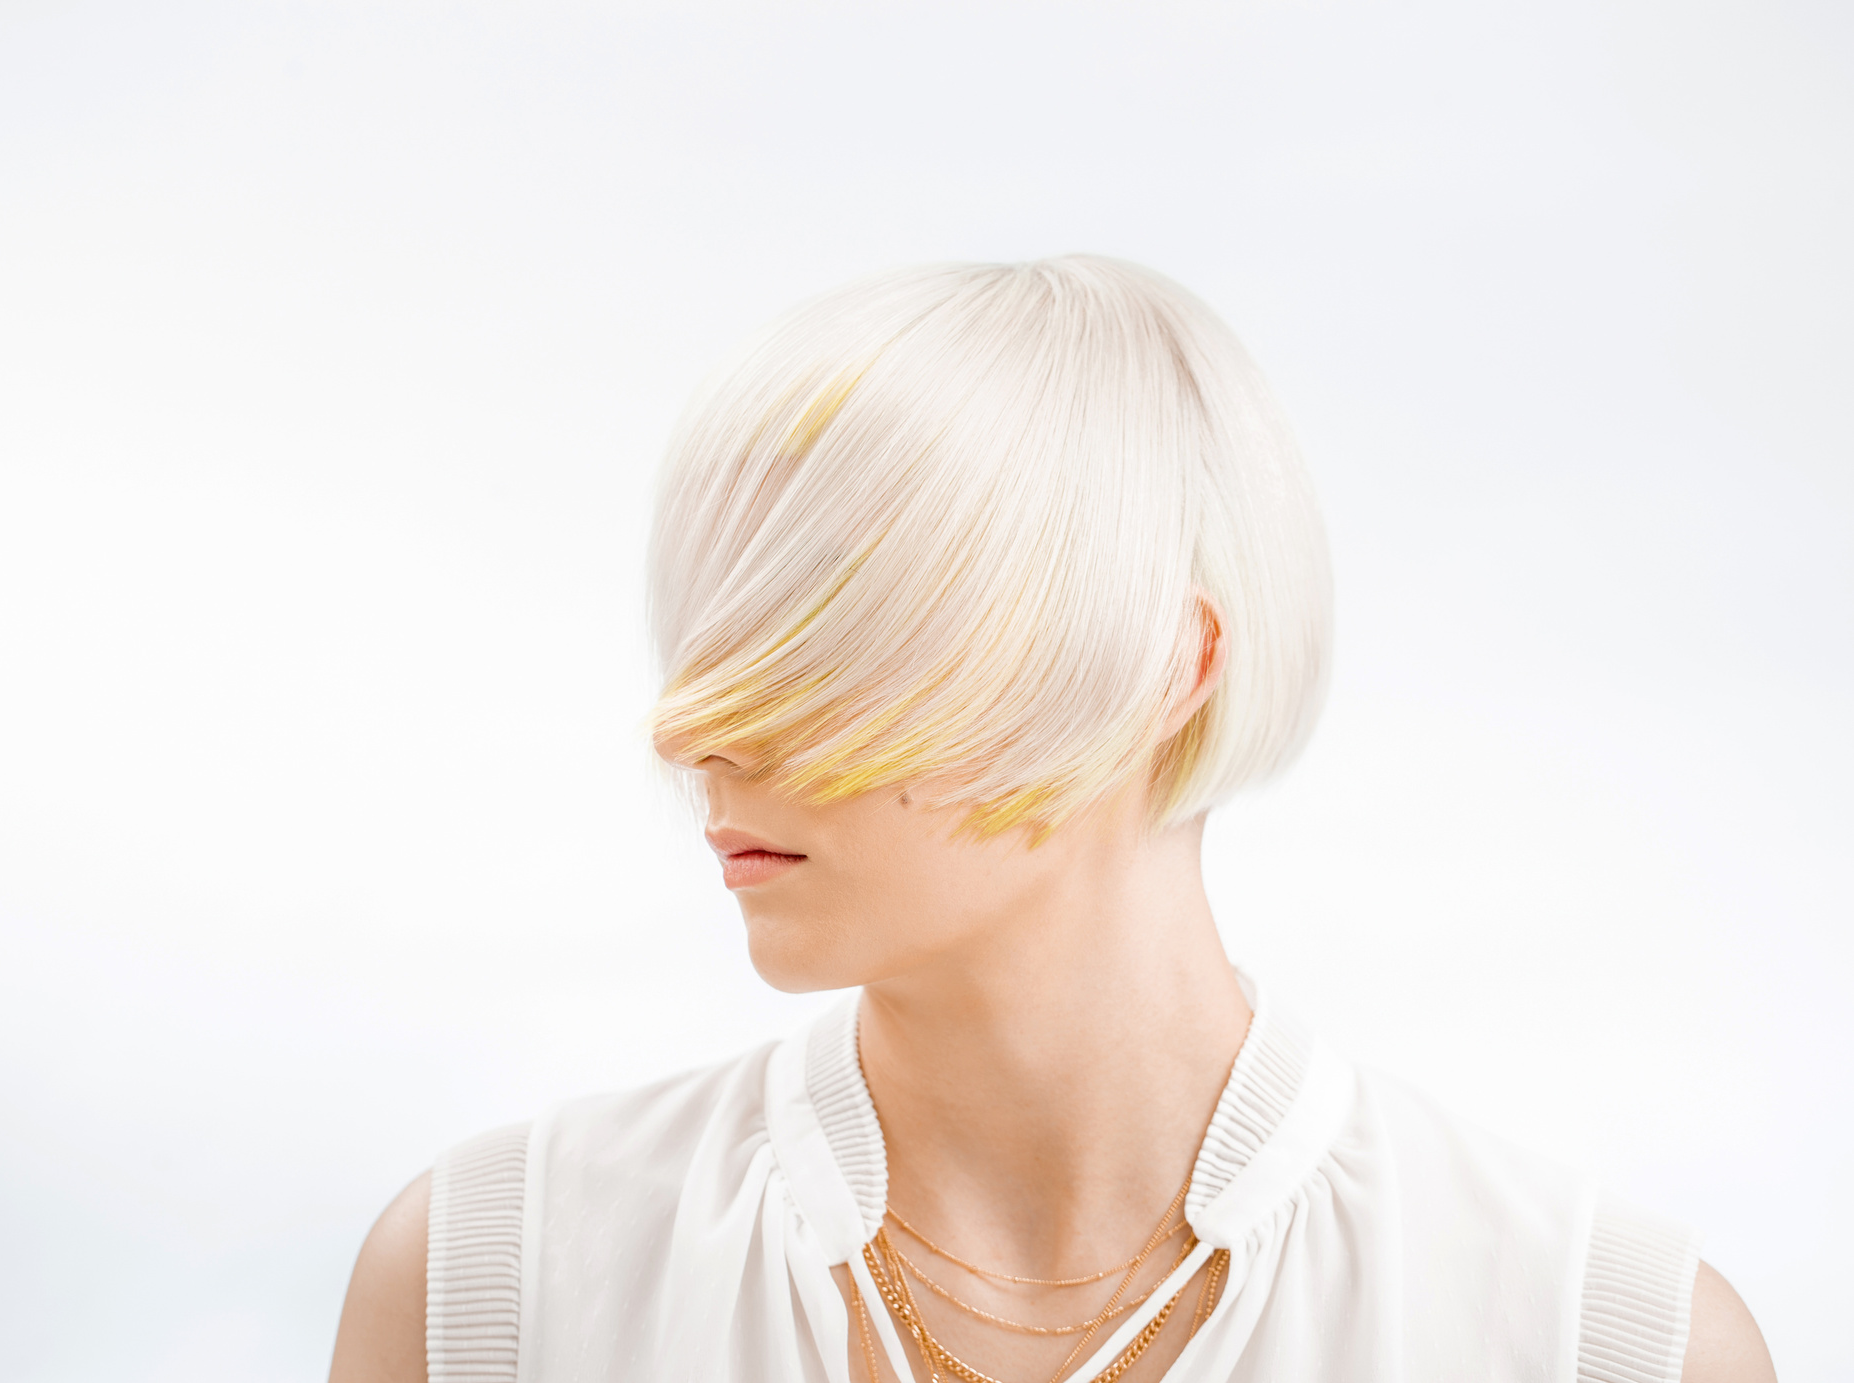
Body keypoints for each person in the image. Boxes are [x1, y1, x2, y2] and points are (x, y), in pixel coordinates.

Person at [327, 257, 1775, 1382]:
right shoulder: (493, 1292)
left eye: (829, 628)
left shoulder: (1600, 1342)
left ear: (1160, 666)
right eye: (710, 635)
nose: (691, 728)